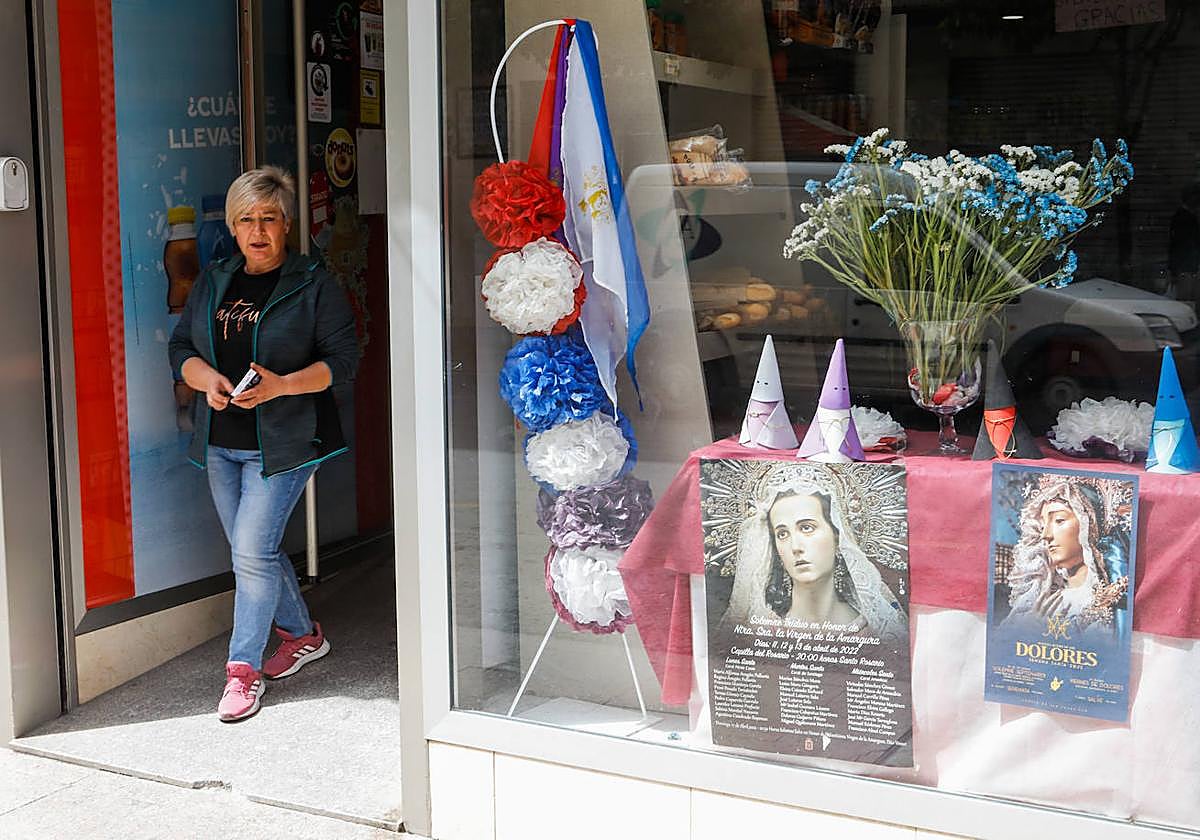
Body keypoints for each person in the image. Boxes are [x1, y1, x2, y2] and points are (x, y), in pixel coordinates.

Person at [168, 166, 359, 722]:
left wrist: (280, 386)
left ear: (287, 224)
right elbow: (182, 345)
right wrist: (207, 381)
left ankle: (242, 673)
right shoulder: (214, 277)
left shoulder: (314, 282)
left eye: (269, 218)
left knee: (249, 556)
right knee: (255, 552)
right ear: (231, 226)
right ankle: (302, 635)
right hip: (220, 440)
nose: (258, 230)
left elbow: (342, 362)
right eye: (246, 219)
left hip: (284, 441)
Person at [720, 467, 907, 647]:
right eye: (782, 534)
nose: (795, 547)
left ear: (837, 537)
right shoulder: (759, 631)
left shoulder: (878, 636)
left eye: (807, 528)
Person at [1005, 477, 1130, 636]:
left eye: (1059, 520)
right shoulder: (1045, 602)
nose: (1045, 535)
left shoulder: (1109, 599)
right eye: (1043, 526)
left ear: (1088, 525)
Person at [1168, 182, 1200, 305]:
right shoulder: (1185, 218)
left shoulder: (1183, 216)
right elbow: (1181, 244)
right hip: (1186, 267)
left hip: (1186, 267)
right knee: (1187, 298)